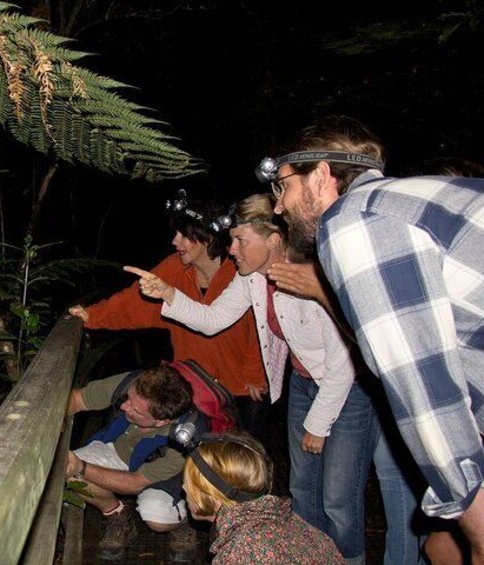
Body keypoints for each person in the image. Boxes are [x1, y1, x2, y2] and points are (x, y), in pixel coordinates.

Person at [263, 115, 484, 563]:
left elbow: (424, 390)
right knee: (443, 547)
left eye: (282, 186)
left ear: (321, 176)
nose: (277, 207)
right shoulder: (407, 202)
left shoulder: (357, 220)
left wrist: (476, 520)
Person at [126, 193, 379, 563]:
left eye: (241, 240)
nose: (231, 250)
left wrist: (319, 423)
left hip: (349, 387)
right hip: (305, 385)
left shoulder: (312, 277)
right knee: (302, 489)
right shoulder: (253, 278)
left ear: (274, 240)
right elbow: (212, 320)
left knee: (338, 498)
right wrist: (168, 293)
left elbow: (345, 355)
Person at [68, 191, 269, 441]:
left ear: (206, 238)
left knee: (243, 454)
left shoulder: (240, 269)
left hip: (241, 386)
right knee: (199, 454)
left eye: (184, 235)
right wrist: (92, 315)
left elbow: (260, 326)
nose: (175, 241)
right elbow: (132, 303)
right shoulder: (174, 268)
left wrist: (256, 373)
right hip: (194, 385)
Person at [269, 258, 428, 564]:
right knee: (380, 479)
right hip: (374, 376)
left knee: (391, 479)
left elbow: (352, 344)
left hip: (390, 380)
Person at [65, 365, 198, 562]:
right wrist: (56, 426)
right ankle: (117, 514)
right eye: (128, 398)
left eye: (134, 409)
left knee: (156, 517)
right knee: (65, 471)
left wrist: (82, 467)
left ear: (161, 421)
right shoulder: (134, 383)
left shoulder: (181, 442)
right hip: (119, 450)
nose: (123, 406)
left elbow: (134, 483)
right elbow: (76, 399)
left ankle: (182, 520)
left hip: (165, 478)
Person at [183, 430, 345, 564]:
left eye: (189, 485)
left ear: (212, 494)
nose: (184, 488)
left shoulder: (242, 553)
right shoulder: (289, 523)